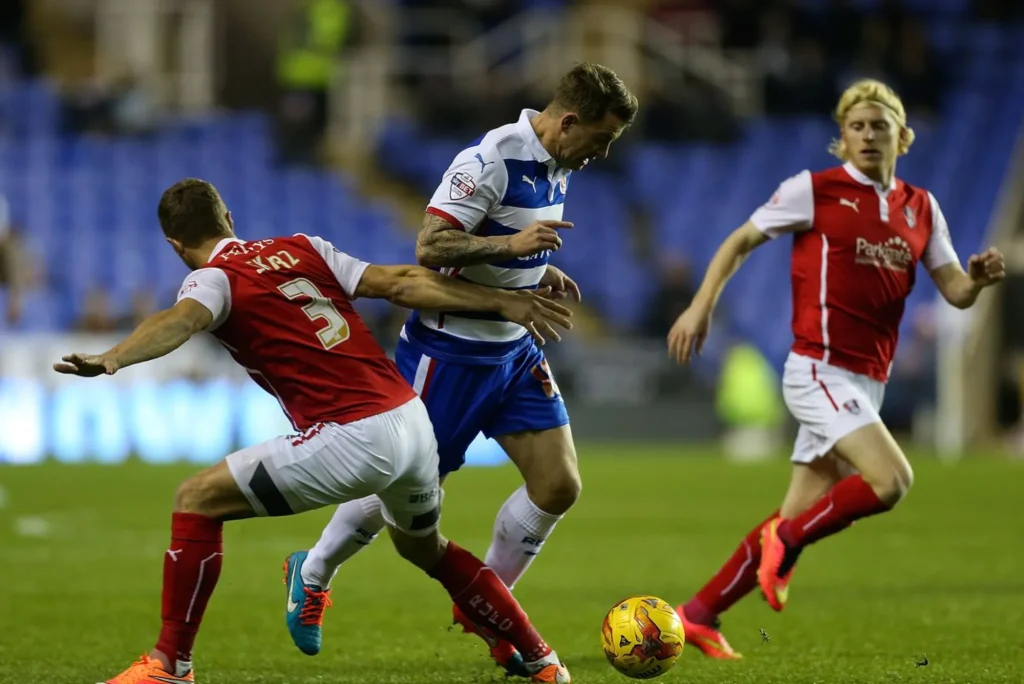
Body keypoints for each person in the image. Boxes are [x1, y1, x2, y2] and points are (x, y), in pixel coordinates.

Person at [56, 178, 575, 684]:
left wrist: (114, 358)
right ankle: (541, 659)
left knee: (196, 499)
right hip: (415, 422)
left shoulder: (212, 278)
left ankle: (170, 666)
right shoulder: (304, 247)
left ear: (175, 246)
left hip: (355, 435)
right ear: (230, 219)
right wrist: (499, 300)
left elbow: (181, 320)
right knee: (425, 549)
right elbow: (399, 282)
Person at [288, 62, 638, 674]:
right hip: (447, 355)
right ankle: (312, 571)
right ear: (570, 121)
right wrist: (510, 250)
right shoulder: (492, 159)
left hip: (513, 348)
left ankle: (490, 609)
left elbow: (505, 243)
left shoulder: (560, 162)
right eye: (602, 139)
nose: (602, 154)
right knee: (403, 490)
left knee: (559, 486)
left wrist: (533, 272)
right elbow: (431, 246)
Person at [666, 79, 1005, 659]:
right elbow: (740, 241)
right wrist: (701, 306)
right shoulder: (813, 192)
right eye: (856, 126)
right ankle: (787, 541)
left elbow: (954, 291)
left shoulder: (921, 207)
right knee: (891, 480)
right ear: (841, 140)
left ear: (903, 136)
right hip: (818, 370)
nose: (868, 135)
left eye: (879, 125)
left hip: (866, 383)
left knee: (799, 507)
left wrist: (976, 278)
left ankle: (698, 614)